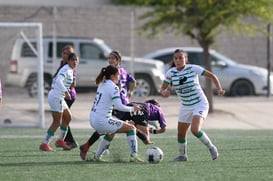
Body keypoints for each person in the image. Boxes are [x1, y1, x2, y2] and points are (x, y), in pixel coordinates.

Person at [160, 49, 225, 161]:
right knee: (180, 133)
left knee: (195, 130)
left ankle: (211, 147)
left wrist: (219, 89)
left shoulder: (193, 68)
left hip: (200, 103)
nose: (178, 60)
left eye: (181, 57)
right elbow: (162, 88)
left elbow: (212, 76)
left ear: (186, 59)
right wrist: (164, 92)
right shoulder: (170, 73)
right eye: (176, 58)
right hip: (185, 106)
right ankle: (182, 156)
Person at [85, 65, 144, 163]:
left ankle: (96, 156)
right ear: (112, 76)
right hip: (101, 121)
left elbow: (112, 104)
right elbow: (120, 106)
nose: (119, 77)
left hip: (92, 119)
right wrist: (133, 109)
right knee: (131, 128)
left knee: (110, 133)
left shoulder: (102, 84)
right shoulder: (113, 87)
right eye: (118, 75)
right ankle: (134, 156)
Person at [79, 99, 166, 161]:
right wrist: (153, 131)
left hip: (129, 106)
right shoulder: (158, 109)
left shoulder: (143, 103)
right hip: (141, 110)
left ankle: (92, 151)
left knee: (109, 129)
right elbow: (163, 128)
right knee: (145, 138)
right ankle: (134, 156)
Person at [39, 52, 79, 151]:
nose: (75, 61)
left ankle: (60, 140)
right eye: (73, 59)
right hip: (56, 97)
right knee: (57, 122)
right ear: (68, 61)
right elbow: (58, 81)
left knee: (68, 117)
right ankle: (45, 144)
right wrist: (66, 92)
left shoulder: (70, 70)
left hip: (59, 97)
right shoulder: (66, 69)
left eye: (76, 60)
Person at [53, 45, 78, 149]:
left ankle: (70, 141)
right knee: (64, 118)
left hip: (69, 96)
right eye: (64, 53)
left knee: (64, 118)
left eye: (68, 54)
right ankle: (68, 141)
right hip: (62, 94)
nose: (65, 55)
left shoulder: (71, 67)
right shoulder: (62, 64)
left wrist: (63, 85)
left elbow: (73, 84)